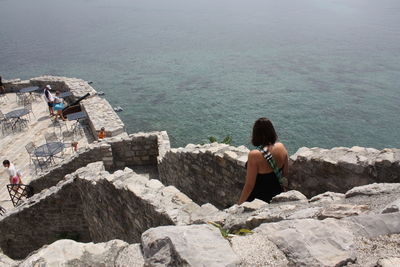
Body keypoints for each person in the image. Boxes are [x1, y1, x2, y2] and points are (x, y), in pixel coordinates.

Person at [238, 117, 289, 204]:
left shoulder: (254, 155)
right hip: (277, 196)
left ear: (256, 134)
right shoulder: (281, 147)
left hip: (258, 200)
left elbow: (249, 186)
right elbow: (285, 174)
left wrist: (239, 204)